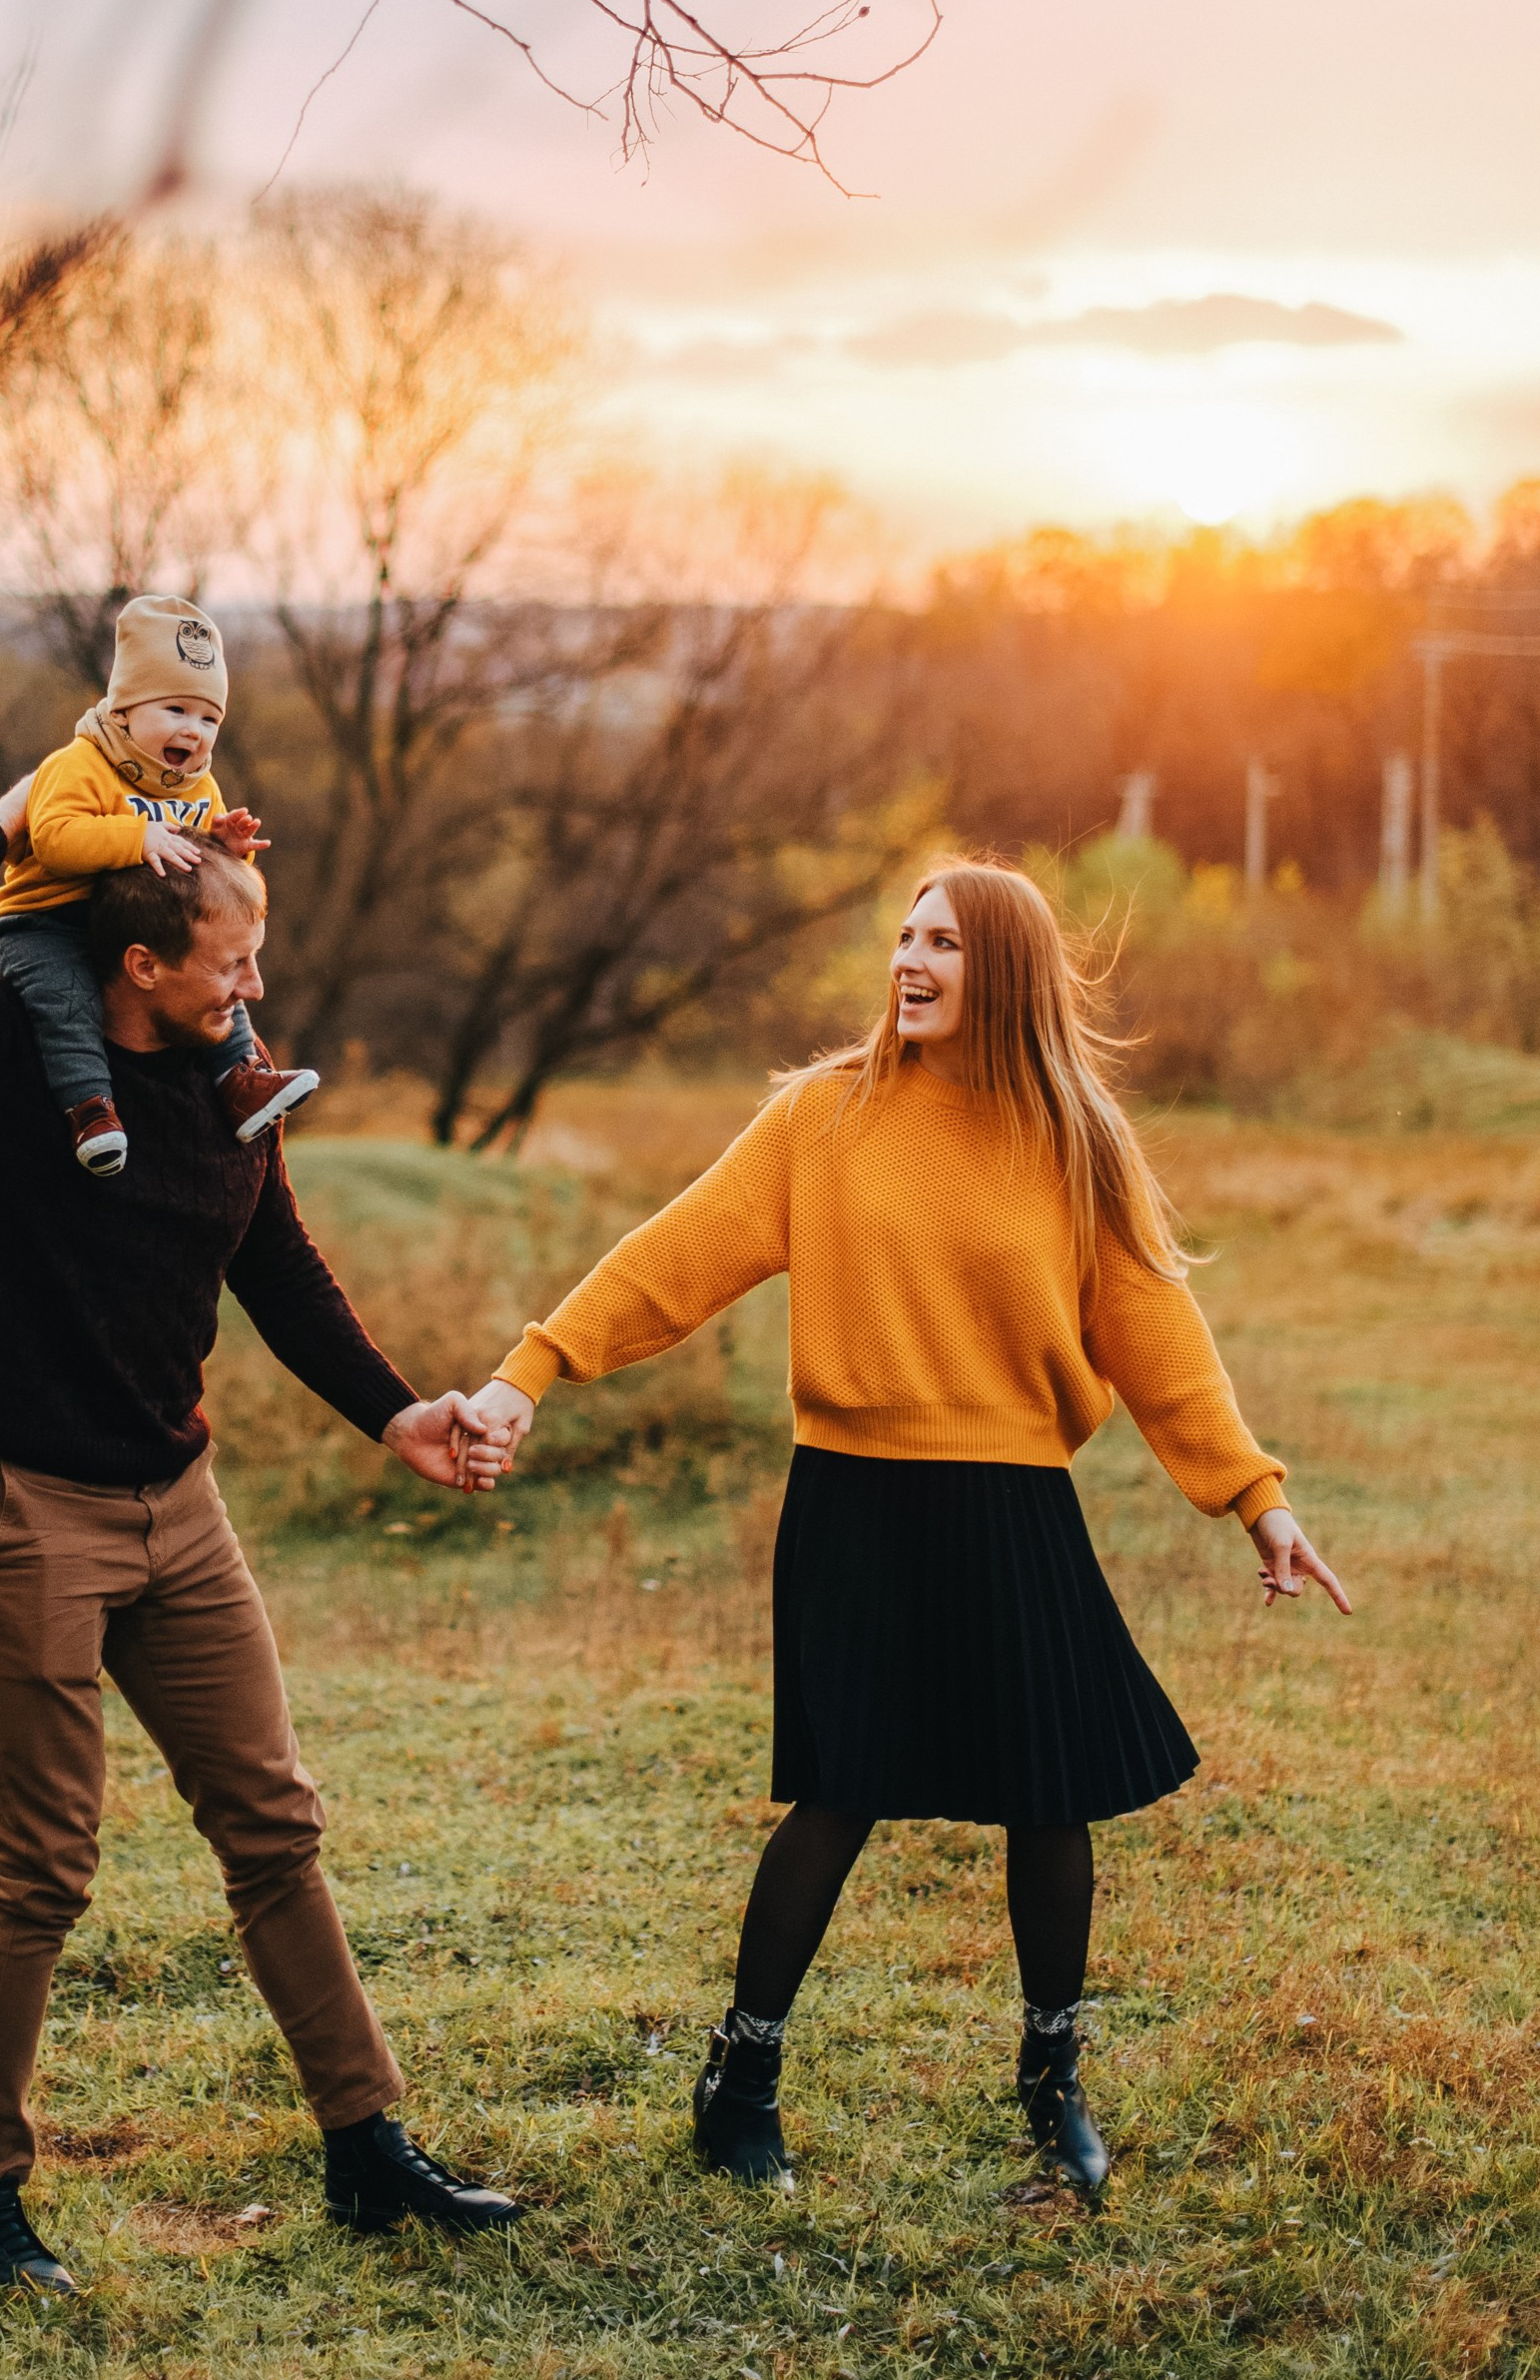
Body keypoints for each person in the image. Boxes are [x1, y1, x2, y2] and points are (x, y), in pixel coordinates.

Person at [464, 859, 1350, 2202]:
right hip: (858, 1495)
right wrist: (528, 1372)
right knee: (844, 1790)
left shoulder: (1074, 1138)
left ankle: (1053, 2086)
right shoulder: (823, 1117)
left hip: (1011, 1500)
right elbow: (674, 1255)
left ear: (1004, 972)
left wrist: (1255, 1497)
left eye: (946, 942)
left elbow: (1156, 1330)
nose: (912, 961)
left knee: (1050, 1795)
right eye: (905, 936)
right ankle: (741, 2075)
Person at [0, 782, 519, 2293]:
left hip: (178, 1504)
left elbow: (272, 1258)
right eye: (232, 962)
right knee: (42, 1865)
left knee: (273, 1821)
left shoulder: (228, 1078)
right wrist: (26, 811)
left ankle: (366, 2148)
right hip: (20, 1502)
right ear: (138, 965)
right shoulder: (6, 1062)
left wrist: (394, 1412)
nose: (256, 989)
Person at [0, 591, 318, 1177]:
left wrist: (224, 848)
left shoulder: (198, 786)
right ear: (124, 709)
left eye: (209, 718)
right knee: (66, 1005)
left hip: (136, 922)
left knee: (219, 971)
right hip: (48, 918)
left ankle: (242, 1083)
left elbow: (192, 869)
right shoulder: (79, 764)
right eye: (175, 711)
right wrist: (138, 838)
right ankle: (90, 1109)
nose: (194, 731)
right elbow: (56, 838)